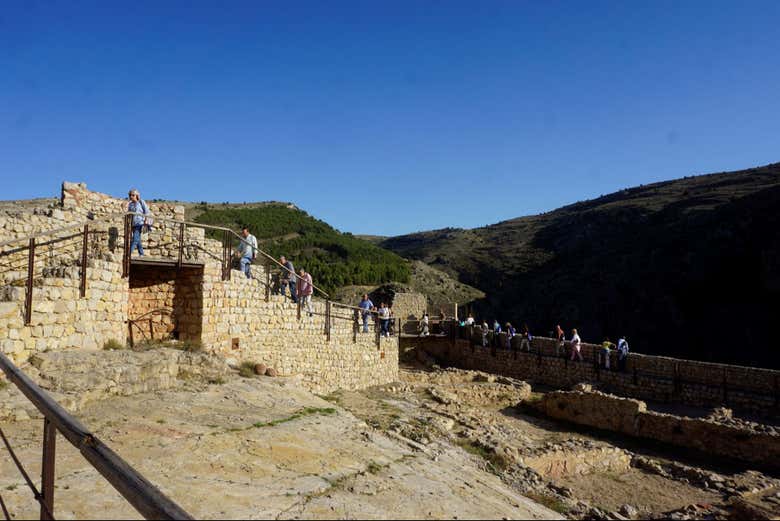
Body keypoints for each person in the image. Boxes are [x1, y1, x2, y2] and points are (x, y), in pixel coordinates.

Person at [127, 189, 150, 257]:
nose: (131, 196)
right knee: (137, 239)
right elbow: (129, 214)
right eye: (130, 195)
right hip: (133, 224)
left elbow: (147, 211)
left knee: (135, 239)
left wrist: (146, 221)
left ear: (137, 195)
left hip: (140, 223)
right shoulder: (130, 204)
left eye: (133, 195)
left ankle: (128, 254)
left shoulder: (141, 202)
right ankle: (141, 253)